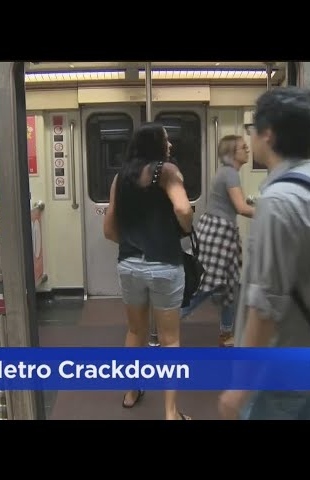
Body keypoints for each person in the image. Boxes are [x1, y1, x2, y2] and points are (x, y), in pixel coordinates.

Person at [218, 87, 310, 420]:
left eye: (252, 129)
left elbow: (266, 306)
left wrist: (239, 388)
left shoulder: (278, 201)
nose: (250, 139)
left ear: (268, 134)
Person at [104, 122, 193, 420]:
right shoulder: (167, 172)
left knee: (135, 331)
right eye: (166, 140)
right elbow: (183, 209)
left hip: (129, 264)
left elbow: (109, 230)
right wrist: (185, 228)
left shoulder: (120, 178)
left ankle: (131, 392)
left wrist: (133, 242)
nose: (170, 145)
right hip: (164, 264)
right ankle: (170, 413)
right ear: (155, 144)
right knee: (170, 340)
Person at [180, 135, 255, 347]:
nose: (247, 150)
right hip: (218, 233)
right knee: (208, 284)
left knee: (229, 285)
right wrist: (269, 212)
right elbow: (241, 208)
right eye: (243, 147)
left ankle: (226, 332)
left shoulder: (227, 173)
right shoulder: (230, 174)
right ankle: (167, 323)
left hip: (221, 232)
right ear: (232, 153)